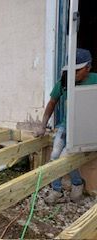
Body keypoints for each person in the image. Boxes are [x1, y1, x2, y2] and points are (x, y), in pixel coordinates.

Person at [36, 48, 97, 204]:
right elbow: (51, 104)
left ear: (88, 67)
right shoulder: (64, 81)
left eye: (77, 70)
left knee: (64, 158)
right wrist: (43, 125)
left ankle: (77, 185)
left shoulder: (94, 80)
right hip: (65, 126)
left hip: (83, 129)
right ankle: (57, 191)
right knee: (55, 156)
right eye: (71, 70)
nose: (74, 74)